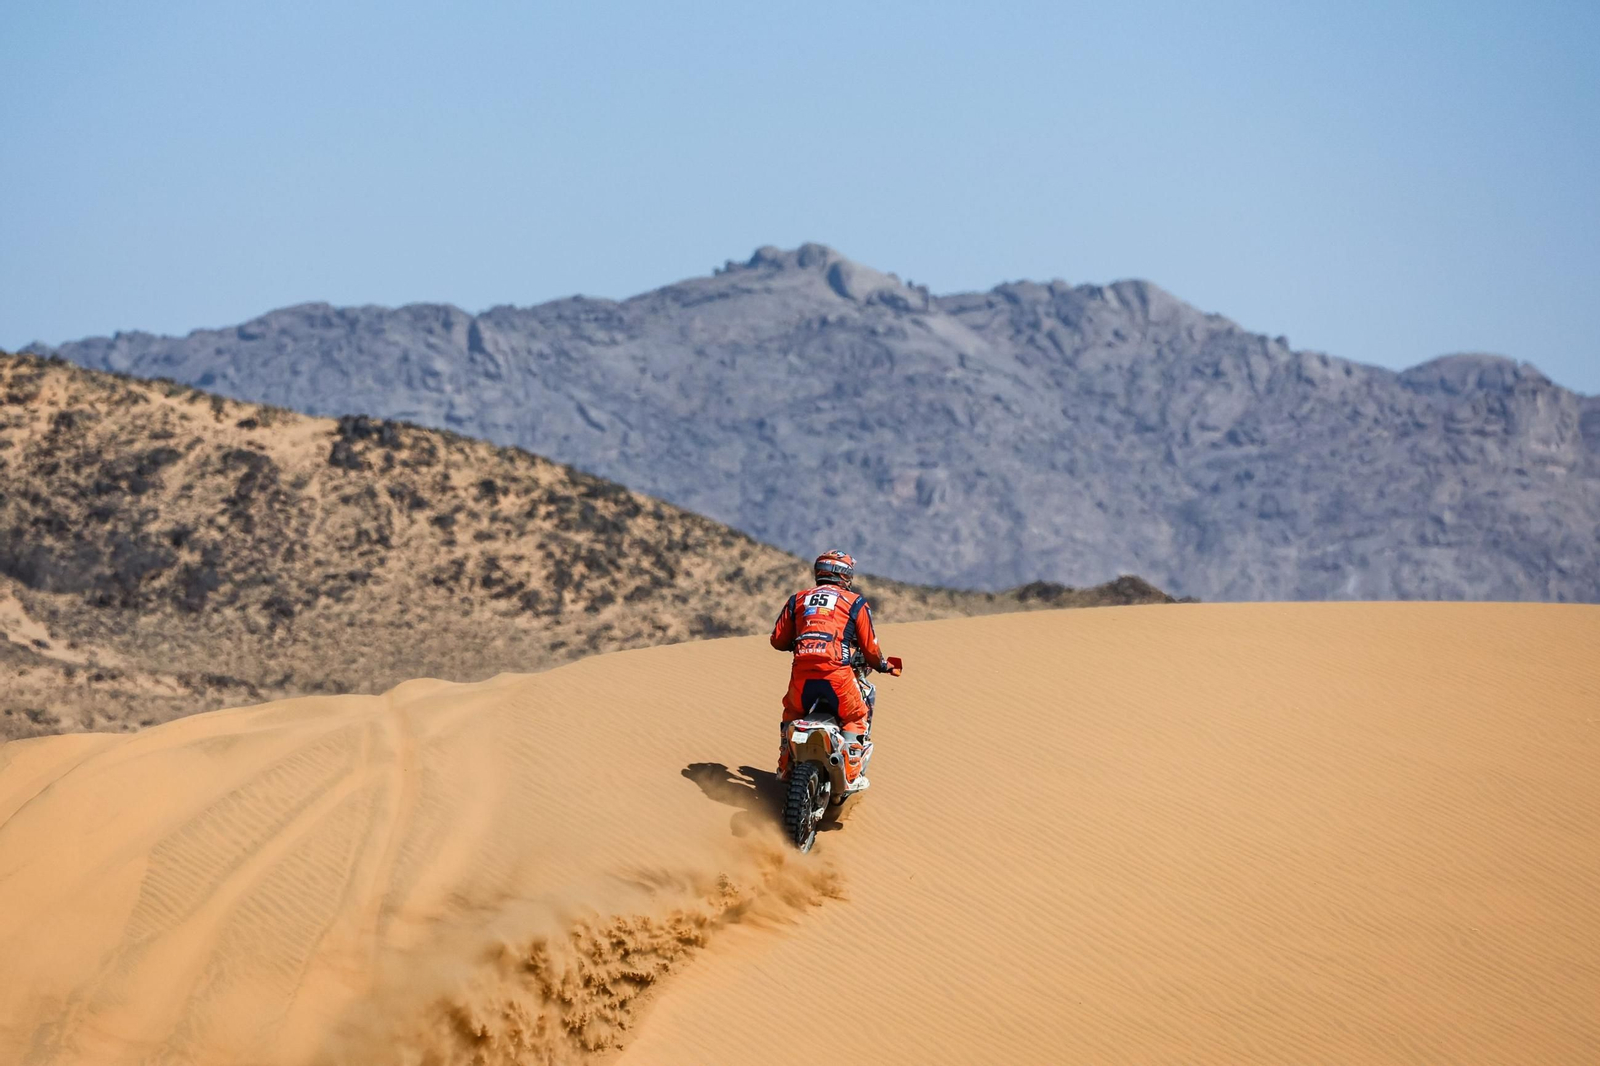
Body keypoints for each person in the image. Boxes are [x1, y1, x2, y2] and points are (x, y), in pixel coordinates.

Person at [769, 550, 894, 782]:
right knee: (856, 716)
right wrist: (882, 665)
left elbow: (777, 640)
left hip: (802, 675)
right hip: (837, 674)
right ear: (845, 575)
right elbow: (870, 647)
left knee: (792, 713)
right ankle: (852, 773)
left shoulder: (798, 599)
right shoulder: (855, 602)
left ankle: (785, 765)